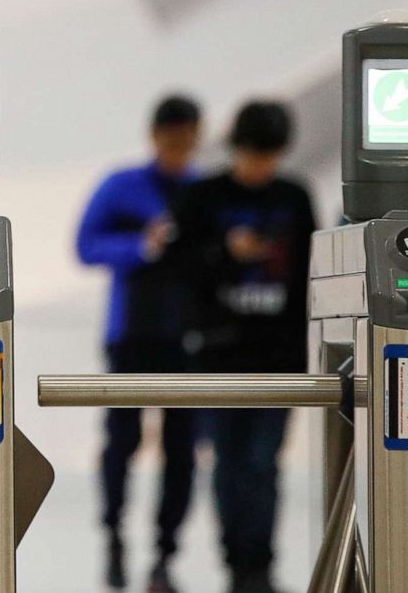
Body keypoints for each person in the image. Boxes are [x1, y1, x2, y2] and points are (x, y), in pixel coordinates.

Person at [169, 102, 316, 593]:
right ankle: (239, 566)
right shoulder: (203, 197)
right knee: (230, 463)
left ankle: (260, 567)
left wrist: (304, 355)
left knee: (263, 462)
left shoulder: (293, 198)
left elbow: (308, 279)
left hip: (277, 355)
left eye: (268, 155)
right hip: (217, 353)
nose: (259, 166)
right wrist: (225, 253)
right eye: (253, 154)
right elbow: (180, 269)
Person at [76, 95, 203, 593]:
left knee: (182, 449)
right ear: (154, 136)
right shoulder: (121, 185)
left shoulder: (202, 191)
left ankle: (166, 554)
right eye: (172, 140)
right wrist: (140, 247)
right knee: (121, 440)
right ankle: (112, 534)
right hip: (130, 334)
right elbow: (85, 245)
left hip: (187, 337)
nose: (180, 149)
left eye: (188, 141)